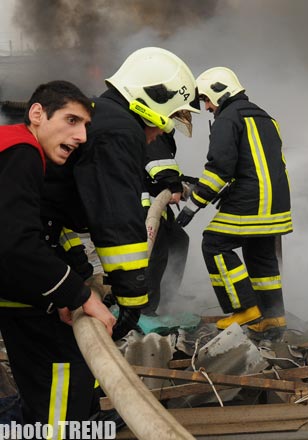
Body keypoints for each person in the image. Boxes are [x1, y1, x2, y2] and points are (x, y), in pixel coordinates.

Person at [41, 46, 199, 342]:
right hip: (24, 255)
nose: (162, 132)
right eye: (169, 117)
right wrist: (131, 297)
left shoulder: (103, 115)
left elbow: (53, 203)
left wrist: (78, 263)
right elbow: (113, 217)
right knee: (63, 363)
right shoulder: (120, 130)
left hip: (30, 248)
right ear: (151, 102)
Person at [0, 80, 116, 425]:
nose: (80, 135)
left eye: (85, 126)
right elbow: (15, 242)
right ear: (37, 114)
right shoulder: (22, 152)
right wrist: (79, 295)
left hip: (12, 297)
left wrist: (60, 295)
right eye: (71, 120)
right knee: (61, 387)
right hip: (17, 303)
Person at [177, 67, 292, 339]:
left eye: (206, 99)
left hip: (251, 201)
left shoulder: (227, 119)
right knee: (260, 255)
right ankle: (273, 318)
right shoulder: (266, 117)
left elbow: (219, 169)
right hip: (275, 204)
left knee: (214, 243)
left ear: (220, 91)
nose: (206, 107)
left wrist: (193, 204)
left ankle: (244, 309)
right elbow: (254, 164)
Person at [142, 131, 190, 315]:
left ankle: (168, 296)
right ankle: (145, 308)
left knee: (179, 241)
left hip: (156, 201)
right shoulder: (154, 129)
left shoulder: (161, 132)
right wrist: (175, 186)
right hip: (144, 203)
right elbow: (159, 165)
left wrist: (195, 184)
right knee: (157, 251)